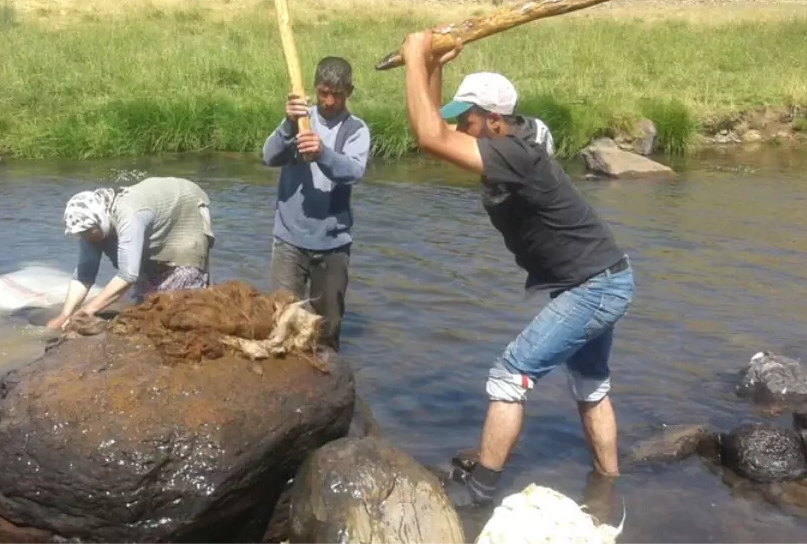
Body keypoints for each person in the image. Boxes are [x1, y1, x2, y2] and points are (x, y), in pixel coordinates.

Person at [397, 30, 634, 525]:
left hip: (593, 286)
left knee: (509, 375)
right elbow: (436, 127)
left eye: (470, 117)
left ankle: (482, 489)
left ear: (495, 121)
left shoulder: (513, 153)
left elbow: (428, 136)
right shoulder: (509, 139)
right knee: (590, 385)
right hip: (604, 277)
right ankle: (607, 487)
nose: (462, 125)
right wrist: (433, 62)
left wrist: (414, 56)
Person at [261, 56, 371, 351]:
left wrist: (322, 152)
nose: (330, 101)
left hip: (333, 244)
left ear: (349, 91)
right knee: (282, 320)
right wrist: (288, 125)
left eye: (337, 94)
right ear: (315, 89)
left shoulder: (356, 129)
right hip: (289, 241)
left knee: (326, 329)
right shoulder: (298, 118)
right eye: (323, 92)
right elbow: (269, 157)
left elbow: (352, 172)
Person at [46, 176, 215, 330]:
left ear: (100, 220)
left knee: (179, 305)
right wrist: (64, 316)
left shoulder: (129, 214)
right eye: (81, 234)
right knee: (146, 304)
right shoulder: (91, 226)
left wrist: (85, 312)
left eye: (88, 232)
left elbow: (127, 276)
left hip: (187, 206)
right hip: (156, 215)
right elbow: (84, 275)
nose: (86, 237)